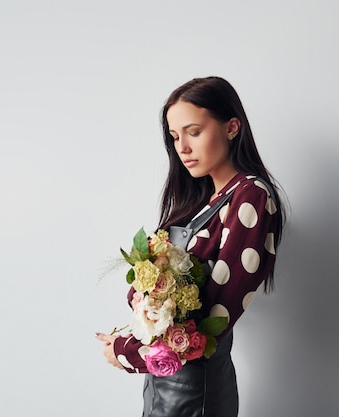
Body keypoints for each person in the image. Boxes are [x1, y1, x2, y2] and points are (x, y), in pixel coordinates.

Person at [96, 76, 285, 417]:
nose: (182, 147)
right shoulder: (202, 202)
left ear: (231, 127)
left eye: (194, 132)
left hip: (194, 387)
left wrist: (128, 352)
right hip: (167, 381)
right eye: (174, 136)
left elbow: (214, 318)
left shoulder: (250, 196)